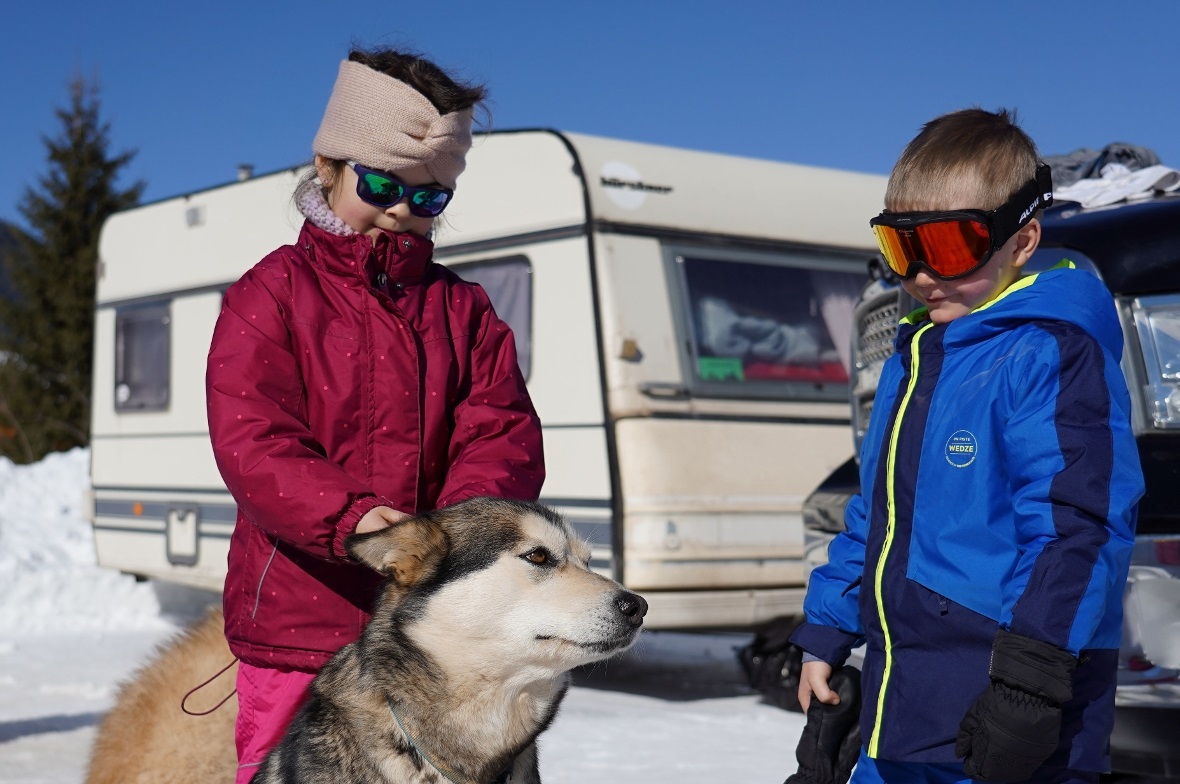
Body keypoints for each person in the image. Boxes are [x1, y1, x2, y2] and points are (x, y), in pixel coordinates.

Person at [205, 47, 544, 784]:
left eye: (430, 198)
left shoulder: (466, 312)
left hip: (432, 635)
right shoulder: (271, 294)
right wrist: (356, 518)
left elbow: (501, 432)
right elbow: (254, 440)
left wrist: (450, 538)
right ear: (328, 165)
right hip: (300, 620)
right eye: (384, 184)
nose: (401, 209)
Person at [789, 108, 1144, 784]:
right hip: (906, 701)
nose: (922, 274)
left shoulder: (1048, 350)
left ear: (1021, 240)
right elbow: (878, 511)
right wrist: (828, 633)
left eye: (949, 246)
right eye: (902, 248)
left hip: (1011, 704)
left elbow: (1079, 526)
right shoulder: (918, 353)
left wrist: (1028, 687)